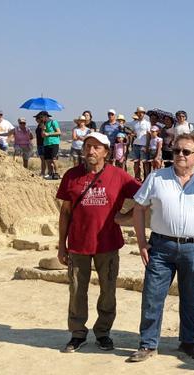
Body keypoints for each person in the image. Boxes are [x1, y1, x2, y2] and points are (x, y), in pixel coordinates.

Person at [128, 133, 194, 363]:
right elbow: (138, 209)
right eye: (176, 151)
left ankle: (188, 342)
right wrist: (141, 242)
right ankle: (148, 344)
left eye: (186, 152)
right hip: (161, 246)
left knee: (190, 297)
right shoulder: (157, 177)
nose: (180, 155)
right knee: (152, 296)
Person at [56, 132, 142, 353]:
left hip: (108, 244)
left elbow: (146, 197)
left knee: (108, 290)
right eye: (87, 146)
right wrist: (61, 245)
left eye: (96, 147)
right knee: (76, 290)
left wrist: (126, 216)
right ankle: (77, 333)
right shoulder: (71, 176)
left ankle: (103, 332)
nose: (91, 151)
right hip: (78, 244)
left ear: (106, 151)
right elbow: (65, 212)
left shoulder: (119, 176)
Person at [38, 111, 61, 180]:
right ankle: (50, 173)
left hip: (54, 143)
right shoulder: (43, 124)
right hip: (46, 143)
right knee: (48, 160)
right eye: (40, 117)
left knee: (54, 159)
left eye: (41, 117)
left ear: (46, 116)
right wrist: (43, 129)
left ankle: (56, 173)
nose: (41, 119)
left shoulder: (53, 122)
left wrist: (49, 134)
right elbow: (42, 136)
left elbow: (59, 132)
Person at [130, 107, 151, 179]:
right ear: (137, 114)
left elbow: (148, 135)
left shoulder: (147, 123)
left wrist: (147, 146)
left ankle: (147, 178)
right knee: (136, 163)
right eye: (139, 112)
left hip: (144, 145)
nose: (140, 114)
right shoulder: (134, 123)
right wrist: (132, 134)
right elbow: (132, 133)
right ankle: (137, 178)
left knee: (145, 163)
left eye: (142, 112)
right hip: (135, 144)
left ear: (144, 114)